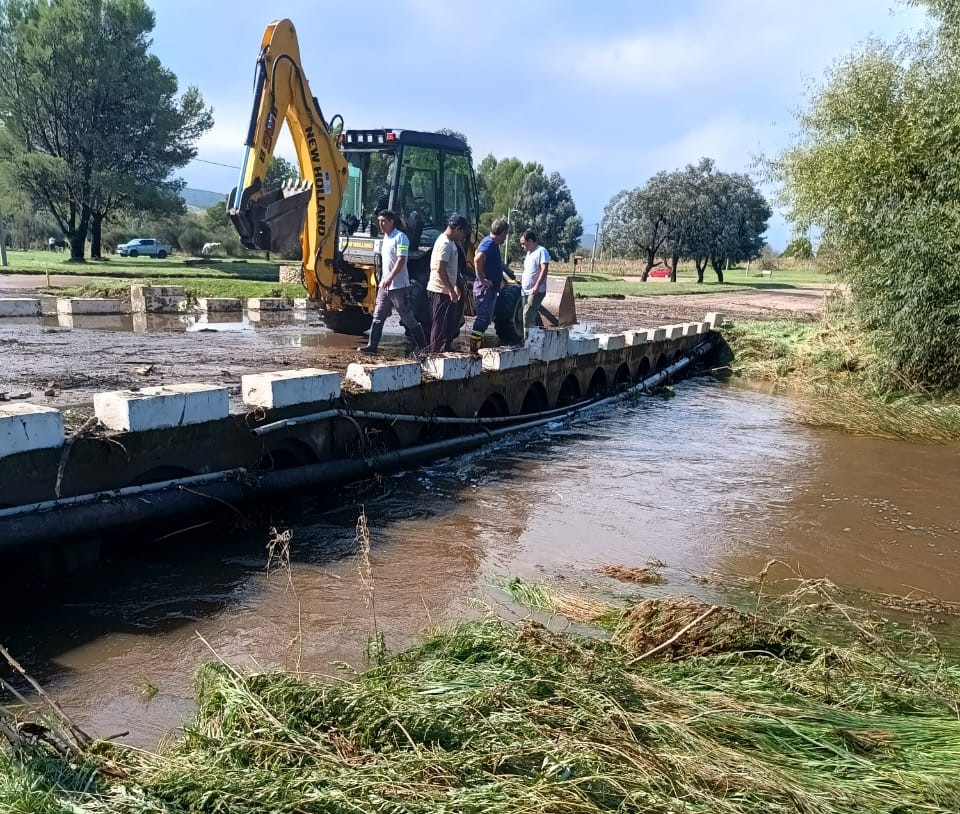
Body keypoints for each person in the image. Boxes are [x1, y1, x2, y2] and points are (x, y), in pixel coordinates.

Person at [358, 210, 427, 355]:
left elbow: (401, 260)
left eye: (383, 221)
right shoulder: (386, 238)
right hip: (385, 285)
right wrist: (384, 279)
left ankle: (423, 346)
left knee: (407, 317)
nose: (380, 224)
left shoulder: (401, 238)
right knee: (378, 316)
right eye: (379, 221)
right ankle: (372, 346)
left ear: (391, 221)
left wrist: (390, 277)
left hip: (399, 286)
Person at [426, 213, 469, 353]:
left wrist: (454, 286)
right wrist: (450, 289)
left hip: (447, 290)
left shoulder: (451, 243)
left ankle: (445, 351)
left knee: (449, 325)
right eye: (463, 233)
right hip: (439, 290)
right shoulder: (444, 243)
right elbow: (440, 269)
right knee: (439, 325)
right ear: (458, 229)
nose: (463, 237)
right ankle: (435, 353)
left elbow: (450, 270)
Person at [468, 218, 510, 353]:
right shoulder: (489, 243)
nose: (505, 237)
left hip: (490, 288)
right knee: (483, 319)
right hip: (485, 288)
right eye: (506, 234)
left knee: (486, 319)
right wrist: (482, 279)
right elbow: (477, 258)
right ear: (502, 232)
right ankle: (474, 349)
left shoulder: (490, 243)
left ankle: (477, 346)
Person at [520, 229, 550, 338]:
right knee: (527, 315)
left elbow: (544, 269)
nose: (522, 247)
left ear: (530, 241)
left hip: (536, 290)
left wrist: (537, 285)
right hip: (525, 291)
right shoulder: (529, 253)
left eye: (523, 244)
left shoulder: (541, 251)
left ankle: (528, 340)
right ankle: (532, 336)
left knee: (527, 315)